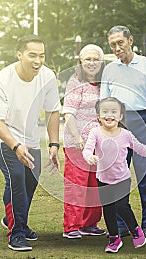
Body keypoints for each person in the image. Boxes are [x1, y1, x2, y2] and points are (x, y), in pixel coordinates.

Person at [0, 34, 61, 251]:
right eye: (32, 55)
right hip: (3, 135)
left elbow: (53, 111)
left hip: (30, 137)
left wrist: (54, 144)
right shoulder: (2, 80)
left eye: (42, 55)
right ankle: (16, 232)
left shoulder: (47, 76)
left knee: (31, 180)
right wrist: (16, 146)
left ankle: (13, 218)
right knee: (16, 178)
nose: (38, 61)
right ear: (19, 55)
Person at [82, 97, 146, 253]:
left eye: (114, 112)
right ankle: (114, 238)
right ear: (98, 116)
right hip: (103, 179)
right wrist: (90, 157)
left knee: (121, 206)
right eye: (105, 112)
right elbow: (87, 149)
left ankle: (135, 230)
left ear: (120, 116)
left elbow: (140, 148)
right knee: (108, 209)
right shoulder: (95, 132)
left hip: (121, 179)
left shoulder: (126, 134)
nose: (109, 115)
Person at [100, 25, 146, 238]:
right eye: (113, 45)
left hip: (143, 121)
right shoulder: (109, 69)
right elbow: (104, 101)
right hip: (117, 124)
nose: (117, 48)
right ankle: (121, 224)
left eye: (120, 43)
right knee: (116, 176)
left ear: (130, 40)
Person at [62, 44, 106, 239]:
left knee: (94, 186)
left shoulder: (105, 83)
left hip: (98, 144)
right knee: (77, 185)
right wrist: (78, 138)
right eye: (87, 59)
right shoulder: (75, 82)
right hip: (77, 143)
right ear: (80, 62)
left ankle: (89, 223)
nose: (91, 62)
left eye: (95, 58)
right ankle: (71, 226)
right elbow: (68, 113)